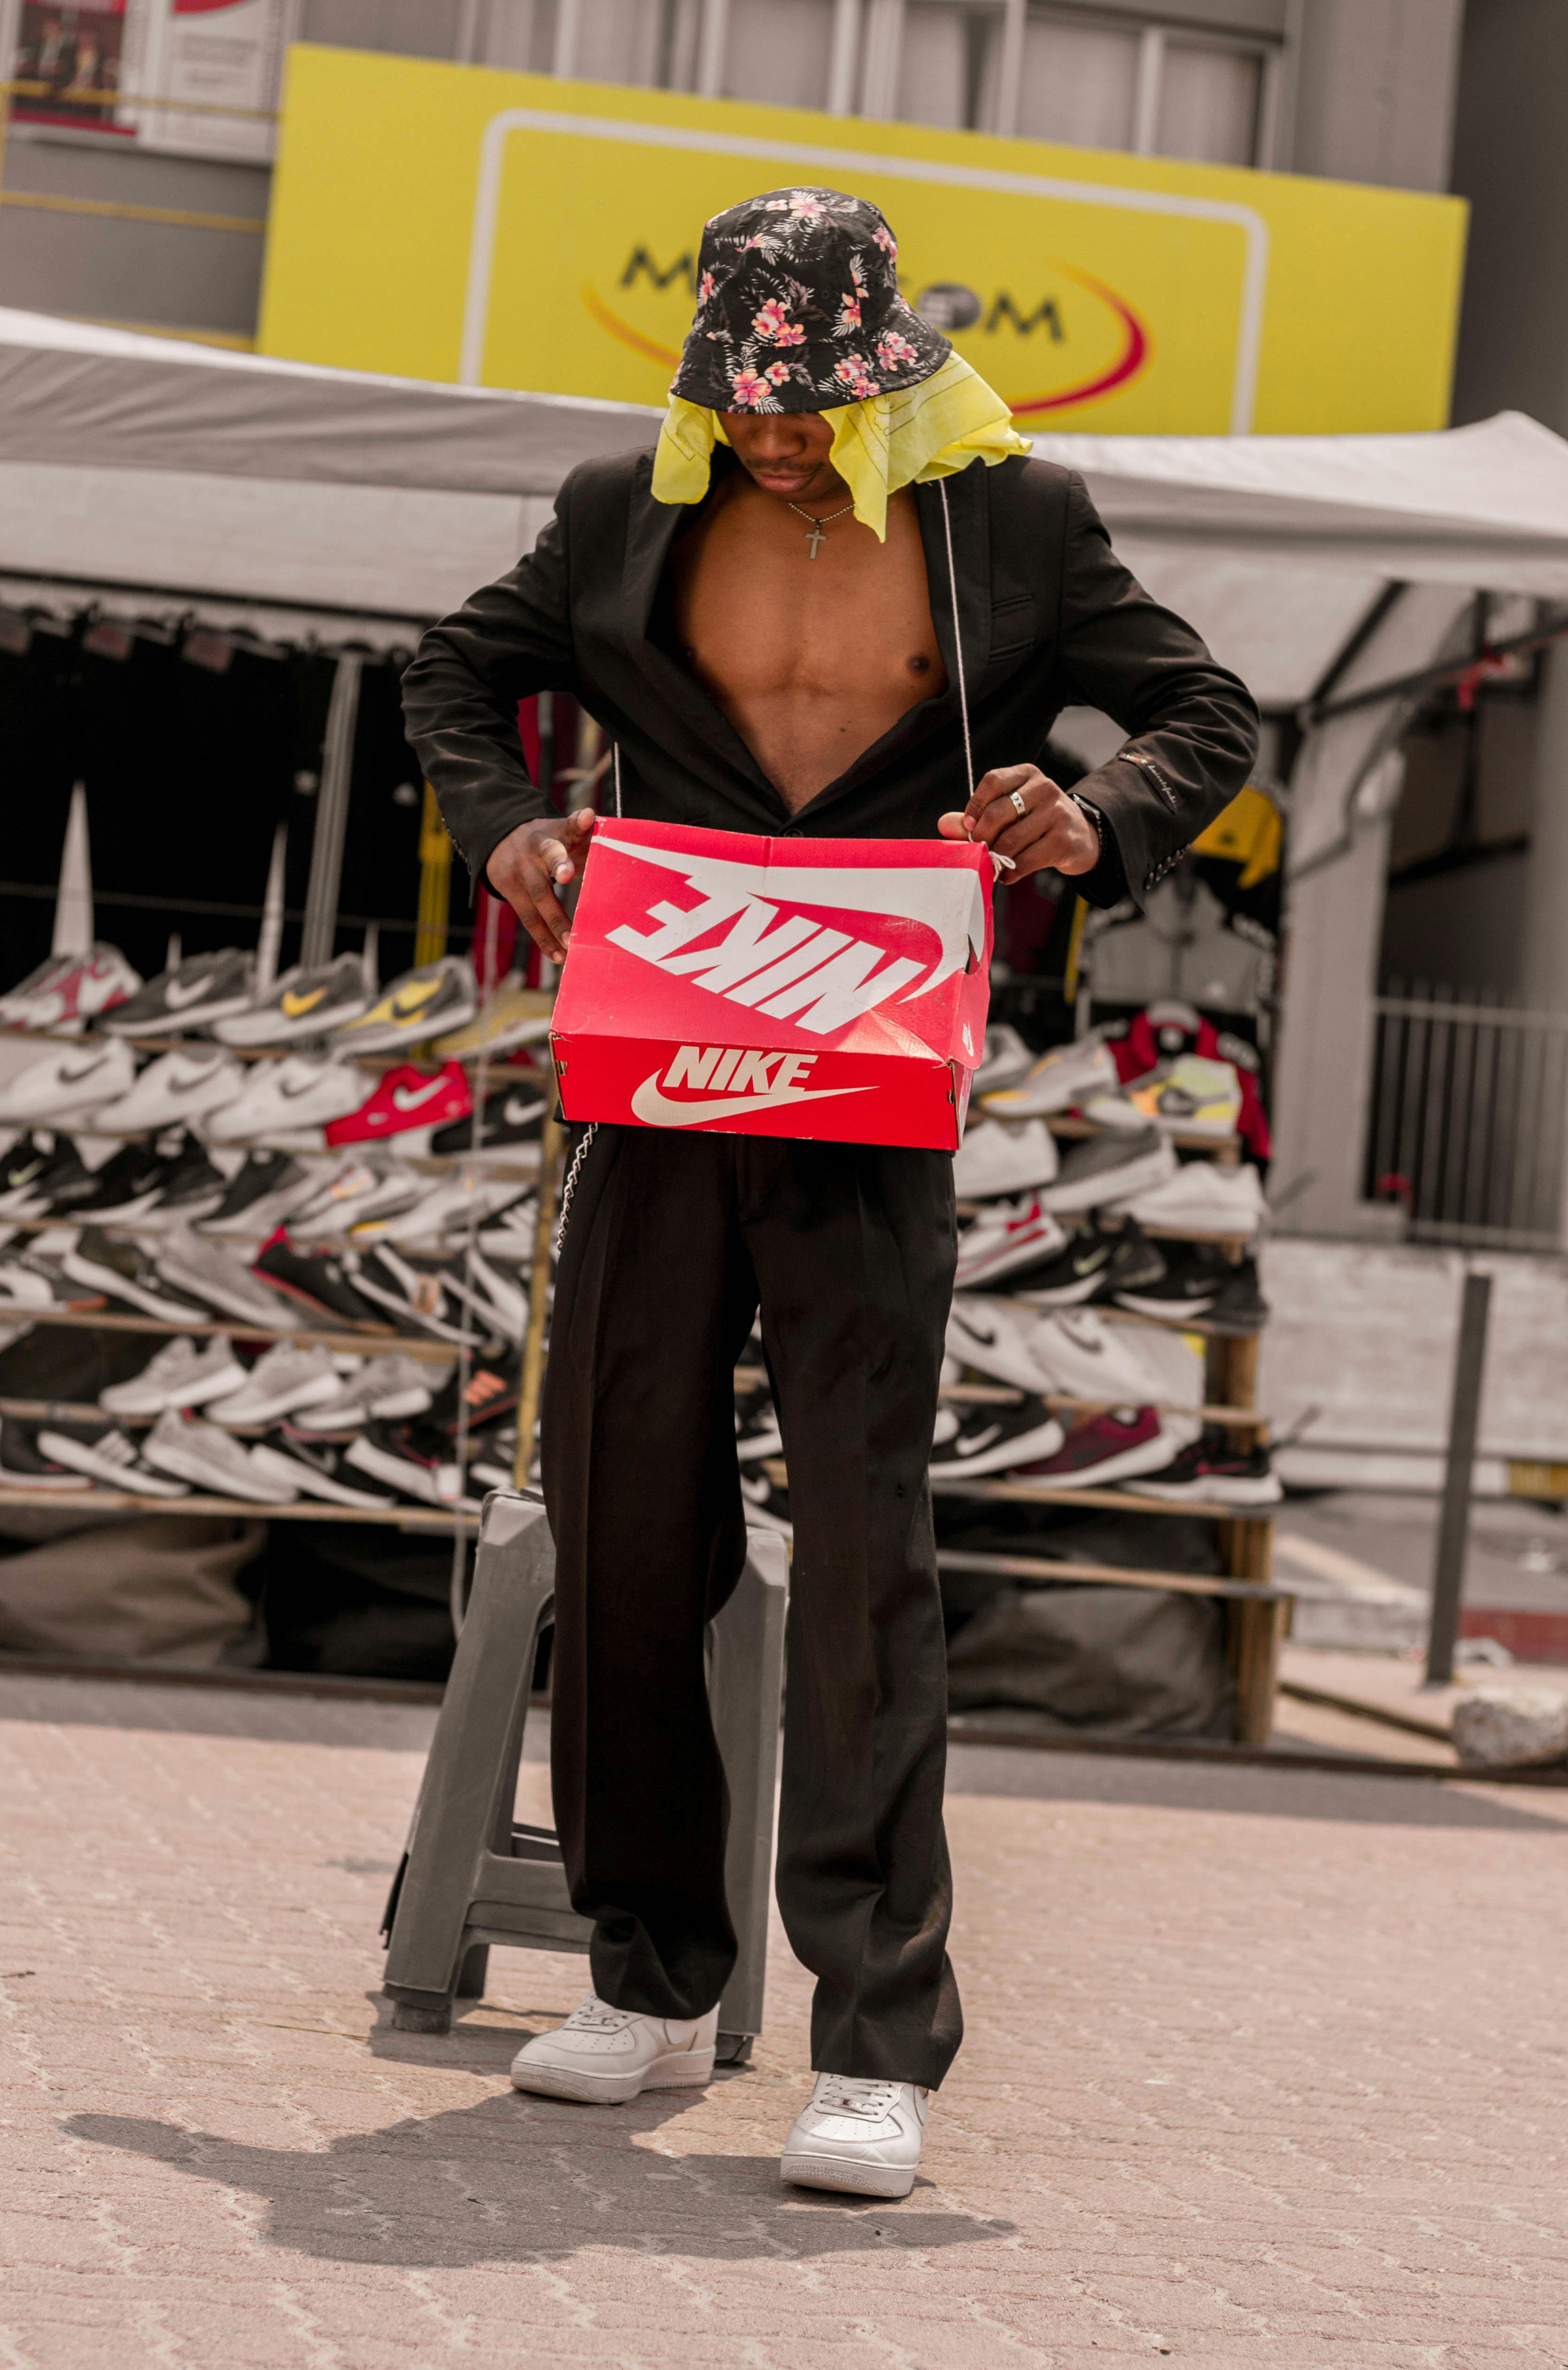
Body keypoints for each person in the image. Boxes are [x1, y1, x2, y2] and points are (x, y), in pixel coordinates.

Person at [402, 187, 1258, 2200]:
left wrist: (1088, 811)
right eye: (751, 405)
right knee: (622, 1509)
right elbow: (454, 671)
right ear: (707, 374)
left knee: (861, 1541)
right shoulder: (625, 503)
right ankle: (649, 1967)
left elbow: (1203, 717)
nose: (782, 438)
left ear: (887, 370)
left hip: (870, 1077)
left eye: (817, 406)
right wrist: (510, 822)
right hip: (659, 1058)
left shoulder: (1010, 520)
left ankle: (876, 2035)